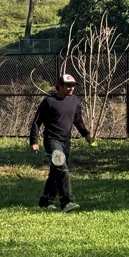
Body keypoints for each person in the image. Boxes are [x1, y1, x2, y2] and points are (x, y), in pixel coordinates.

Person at [30, 73, 93, 212]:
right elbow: (36, 122)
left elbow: (78, 120)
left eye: (73, 86)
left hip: (66, 141)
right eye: (68, 85)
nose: (71, 88)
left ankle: (45, 201)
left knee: (56, 171)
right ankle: (67, 202)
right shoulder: (49, 102)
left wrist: (86, 135)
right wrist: (34, 141)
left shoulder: (74, 101)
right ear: (60, 86)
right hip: (52, 141)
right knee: (61, 167)